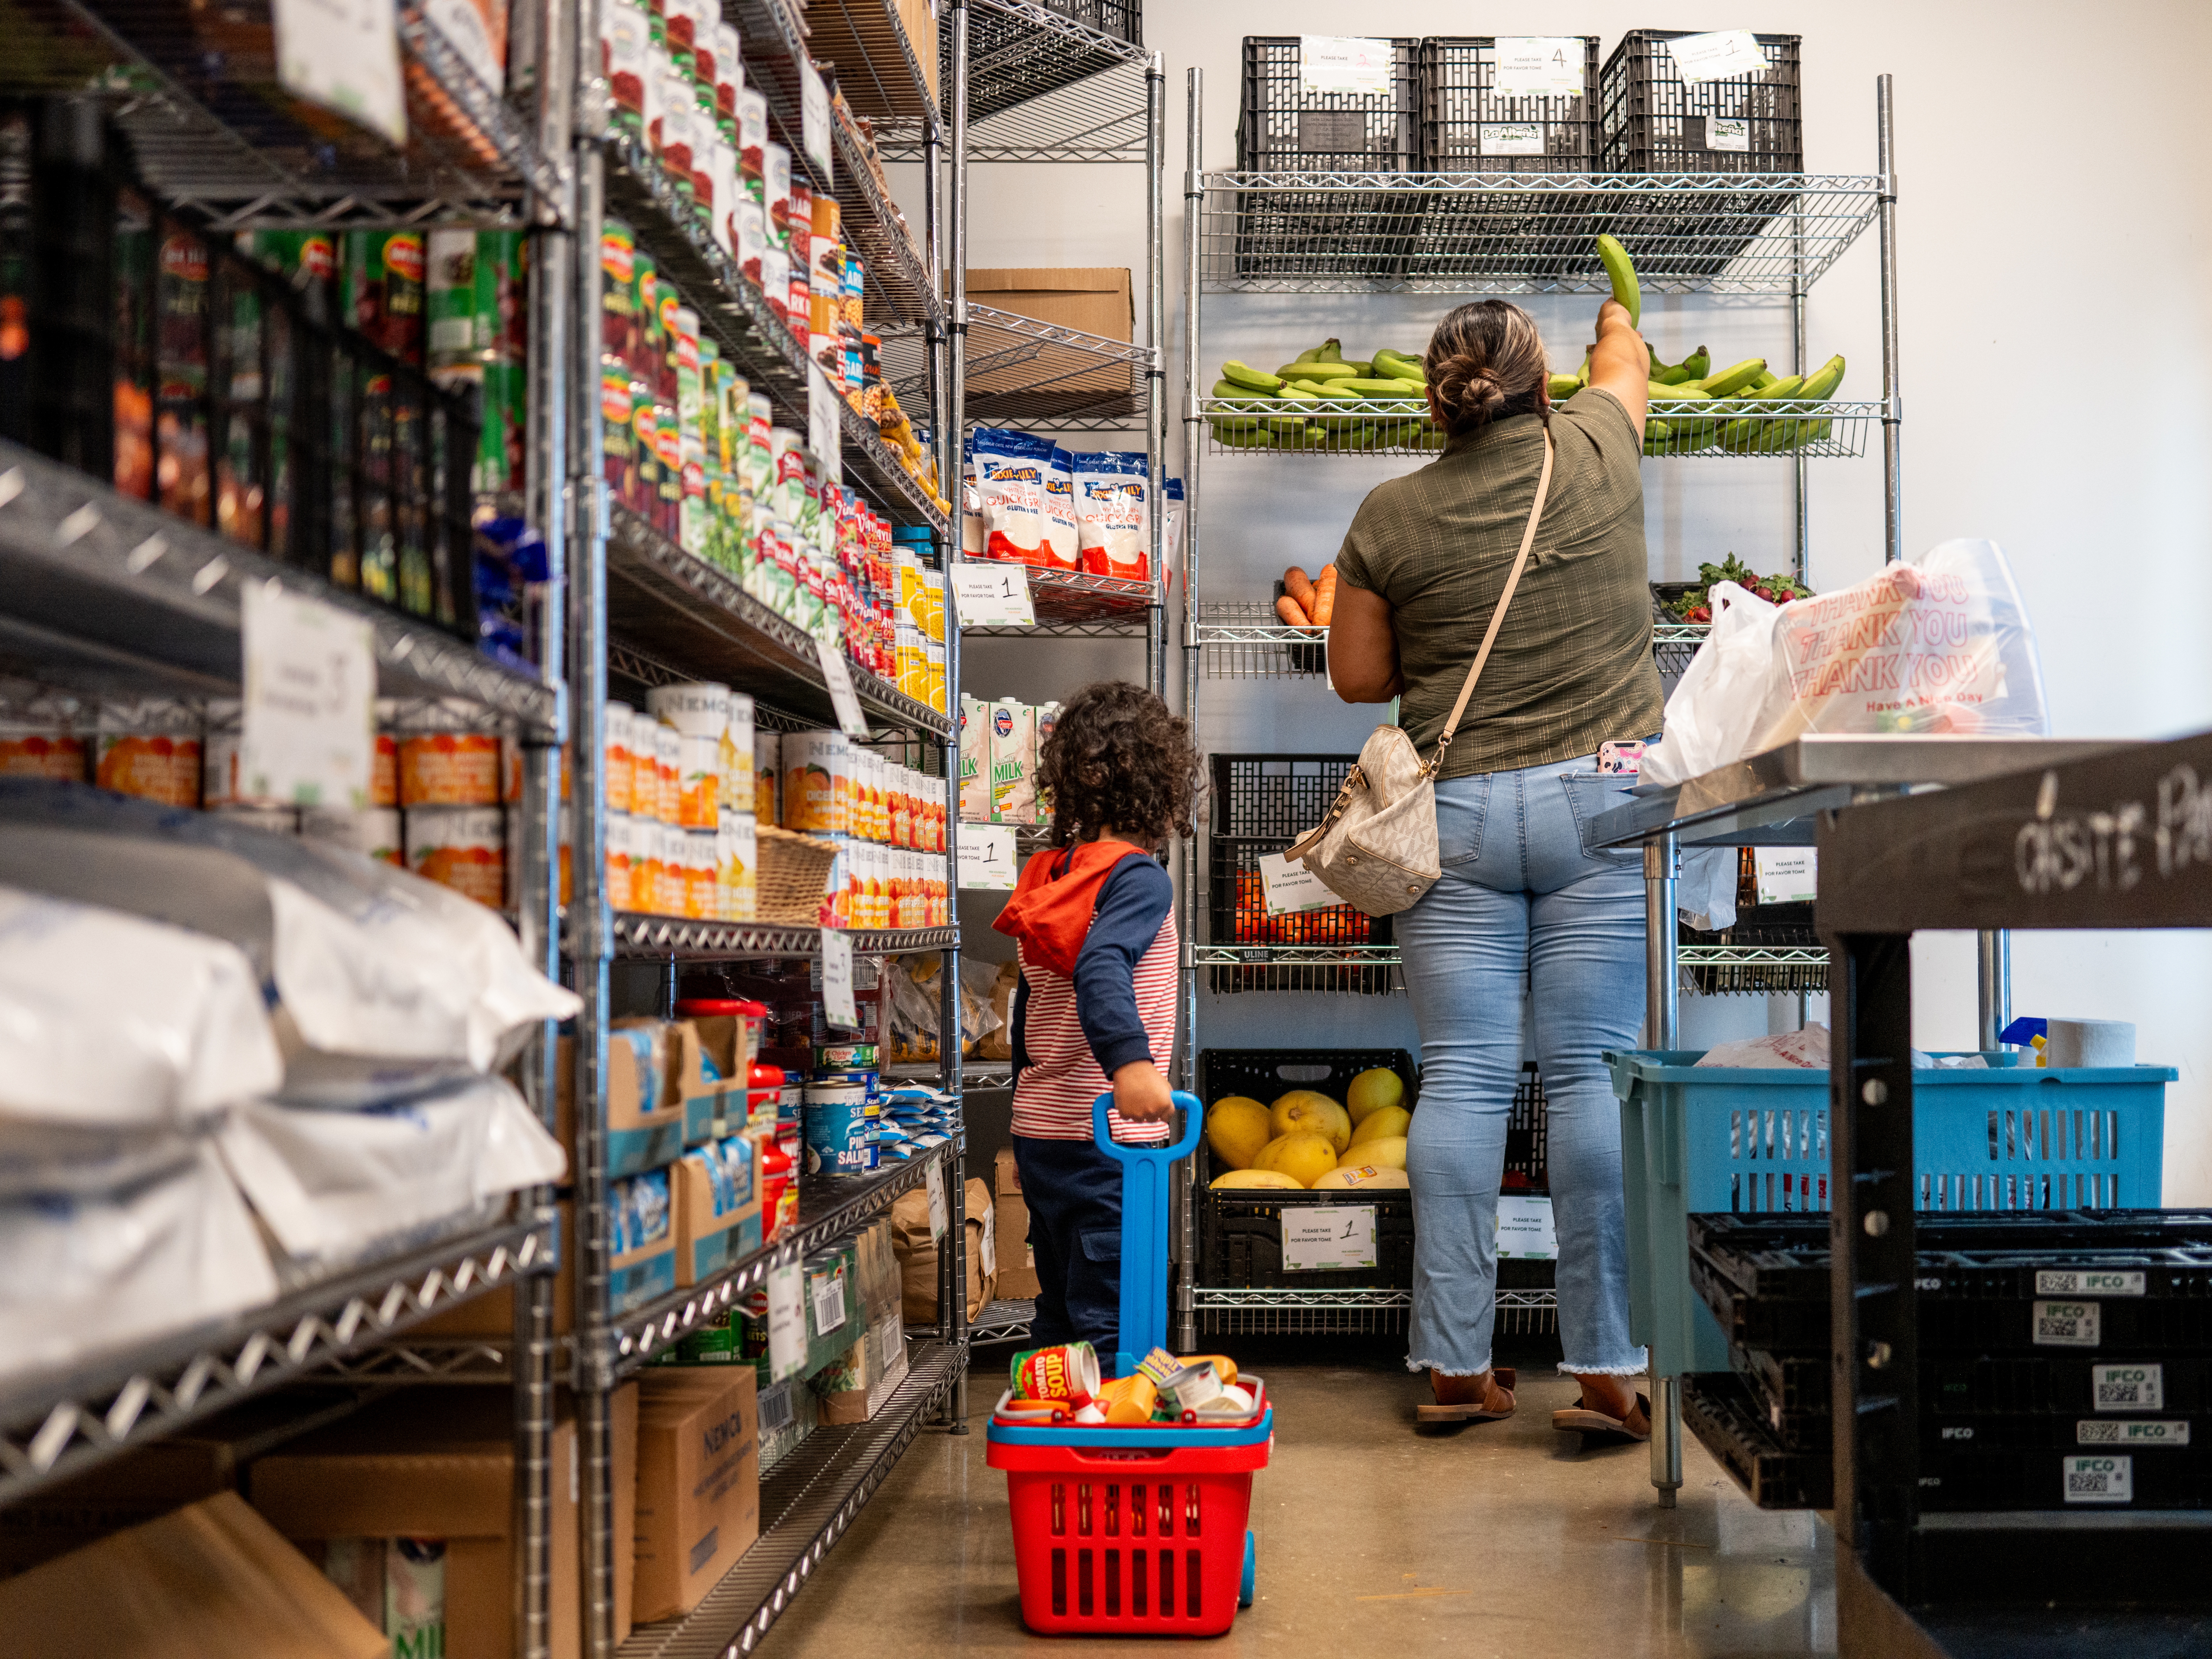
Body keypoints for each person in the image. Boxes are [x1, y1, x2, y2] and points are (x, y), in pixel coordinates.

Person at [1325, 296, 1662, 1438]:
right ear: (1542, 383)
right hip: (1603, 808)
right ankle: (1610, 1369)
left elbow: (1360, 679)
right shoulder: (1603, 444)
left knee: (1465, 1078)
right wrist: (1616, 322)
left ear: (1437, 400)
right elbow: (1629, 362)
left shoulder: (1389, 513)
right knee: (1591, 1080)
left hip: (1454, 817)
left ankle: (1458, 1367)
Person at [992, 680, 1198, 1369]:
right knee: (1114, 1313)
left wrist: (1027, 1096)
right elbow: (1102, 968)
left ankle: (1052, 1439)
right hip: (1105, 1137)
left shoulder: (1050, 873)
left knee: (1058, 1309)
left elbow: (1030, 1001)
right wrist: (1131, 1066)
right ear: (1162, 785)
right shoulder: (1137, 879)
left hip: (1043, 1132)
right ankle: (1110, 1457)